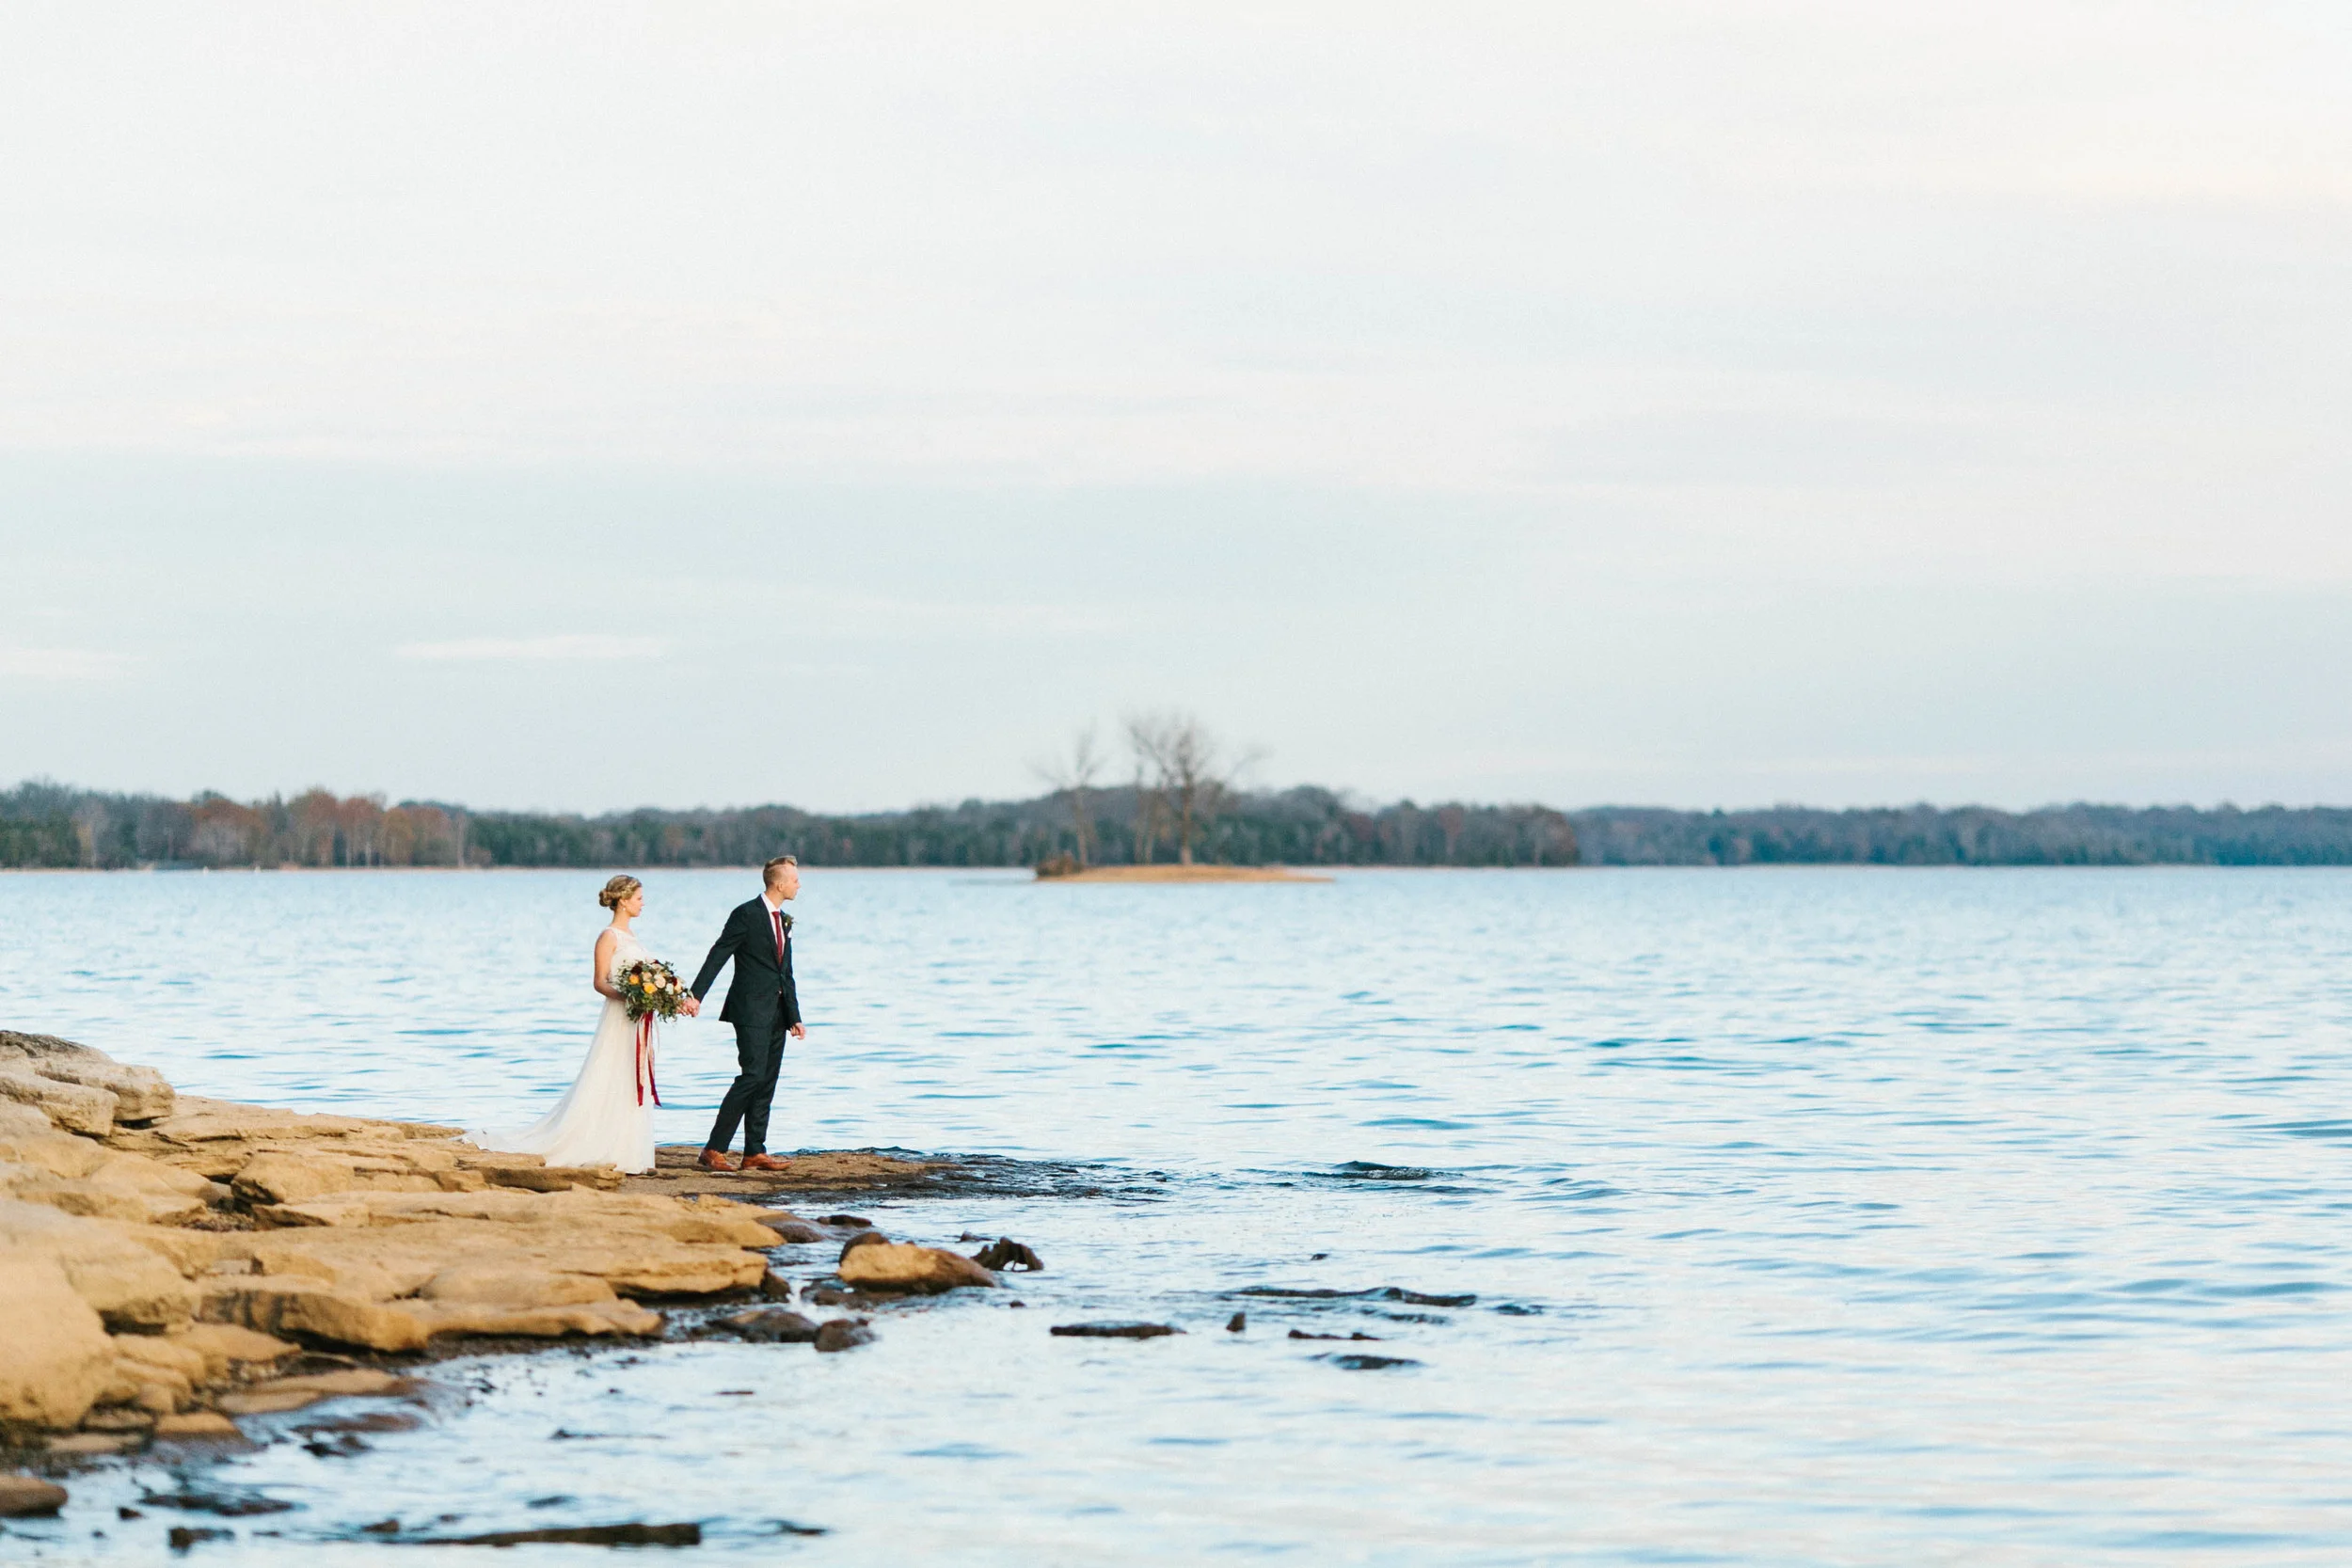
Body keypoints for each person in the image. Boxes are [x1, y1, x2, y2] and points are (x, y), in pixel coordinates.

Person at [469, 874, 694, 1174]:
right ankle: (597, 1144)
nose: (643, 903)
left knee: (632, 1077)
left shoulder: (632, 937)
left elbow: (652, 981)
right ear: (624, 901)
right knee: (611, 1073)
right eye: (639, 898)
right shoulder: (609, 937)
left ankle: (628, 1150)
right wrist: (630, 998)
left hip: (637, 1020)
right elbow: (600, 982)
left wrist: (669, 1000)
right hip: (620, 1017)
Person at [691, 855, 803, 1172]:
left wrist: (794, 1016)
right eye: (795, 880)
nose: (799, 885)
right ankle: (713, 1149)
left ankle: (754, 1151)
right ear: (779, 884)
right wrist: (696, 995)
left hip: (777, 1014)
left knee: (767, 1081)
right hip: (750, 1010)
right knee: (751, 1076)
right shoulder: (746, 914)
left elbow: (786, 972)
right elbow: (719, 953)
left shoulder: (783, 920)